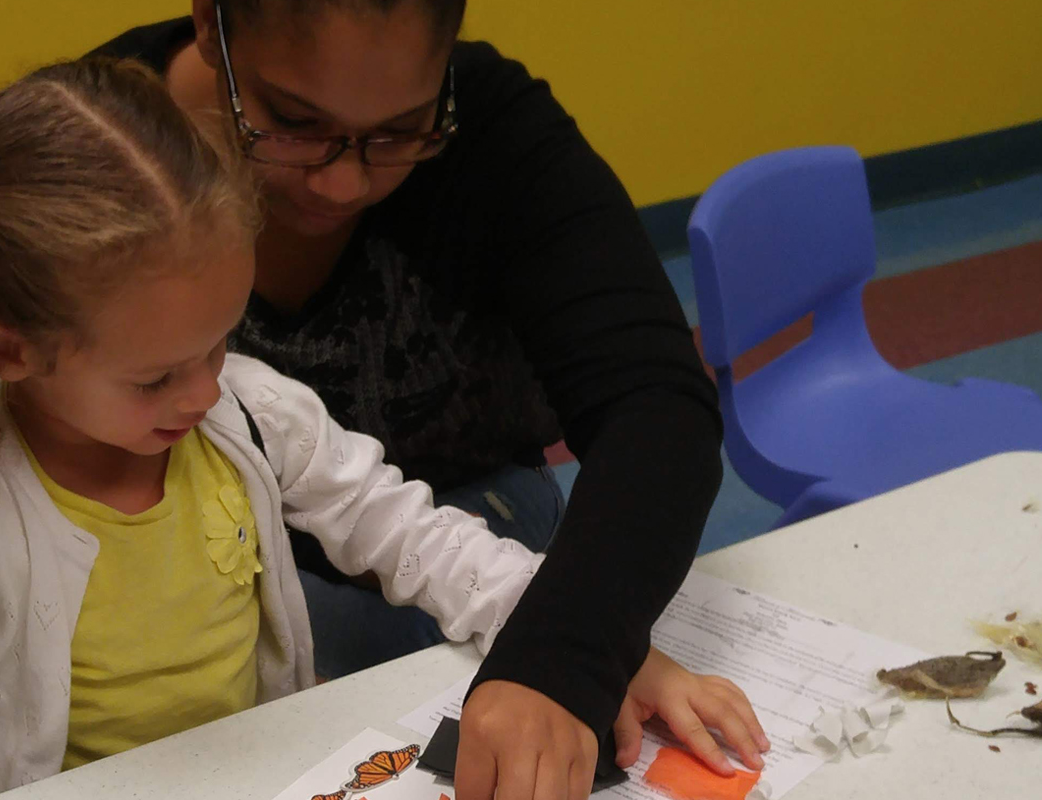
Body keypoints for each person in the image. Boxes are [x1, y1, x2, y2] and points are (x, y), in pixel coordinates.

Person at [0, 58, 763, 800]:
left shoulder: (248, 408)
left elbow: (414, 535)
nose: (203, 391)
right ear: (9, 350)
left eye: (218, 342)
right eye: (156, 376)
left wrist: (581, 638)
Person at [92, 3, 732, 796]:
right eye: (293, 121)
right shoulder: (84, 151)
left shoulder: (494, 129)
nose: (343, 181)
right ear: (210, 25)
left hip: (467, 527)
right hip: (185, 564)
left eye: (401, 132)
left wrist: (572, 647)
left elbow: (656, 405)